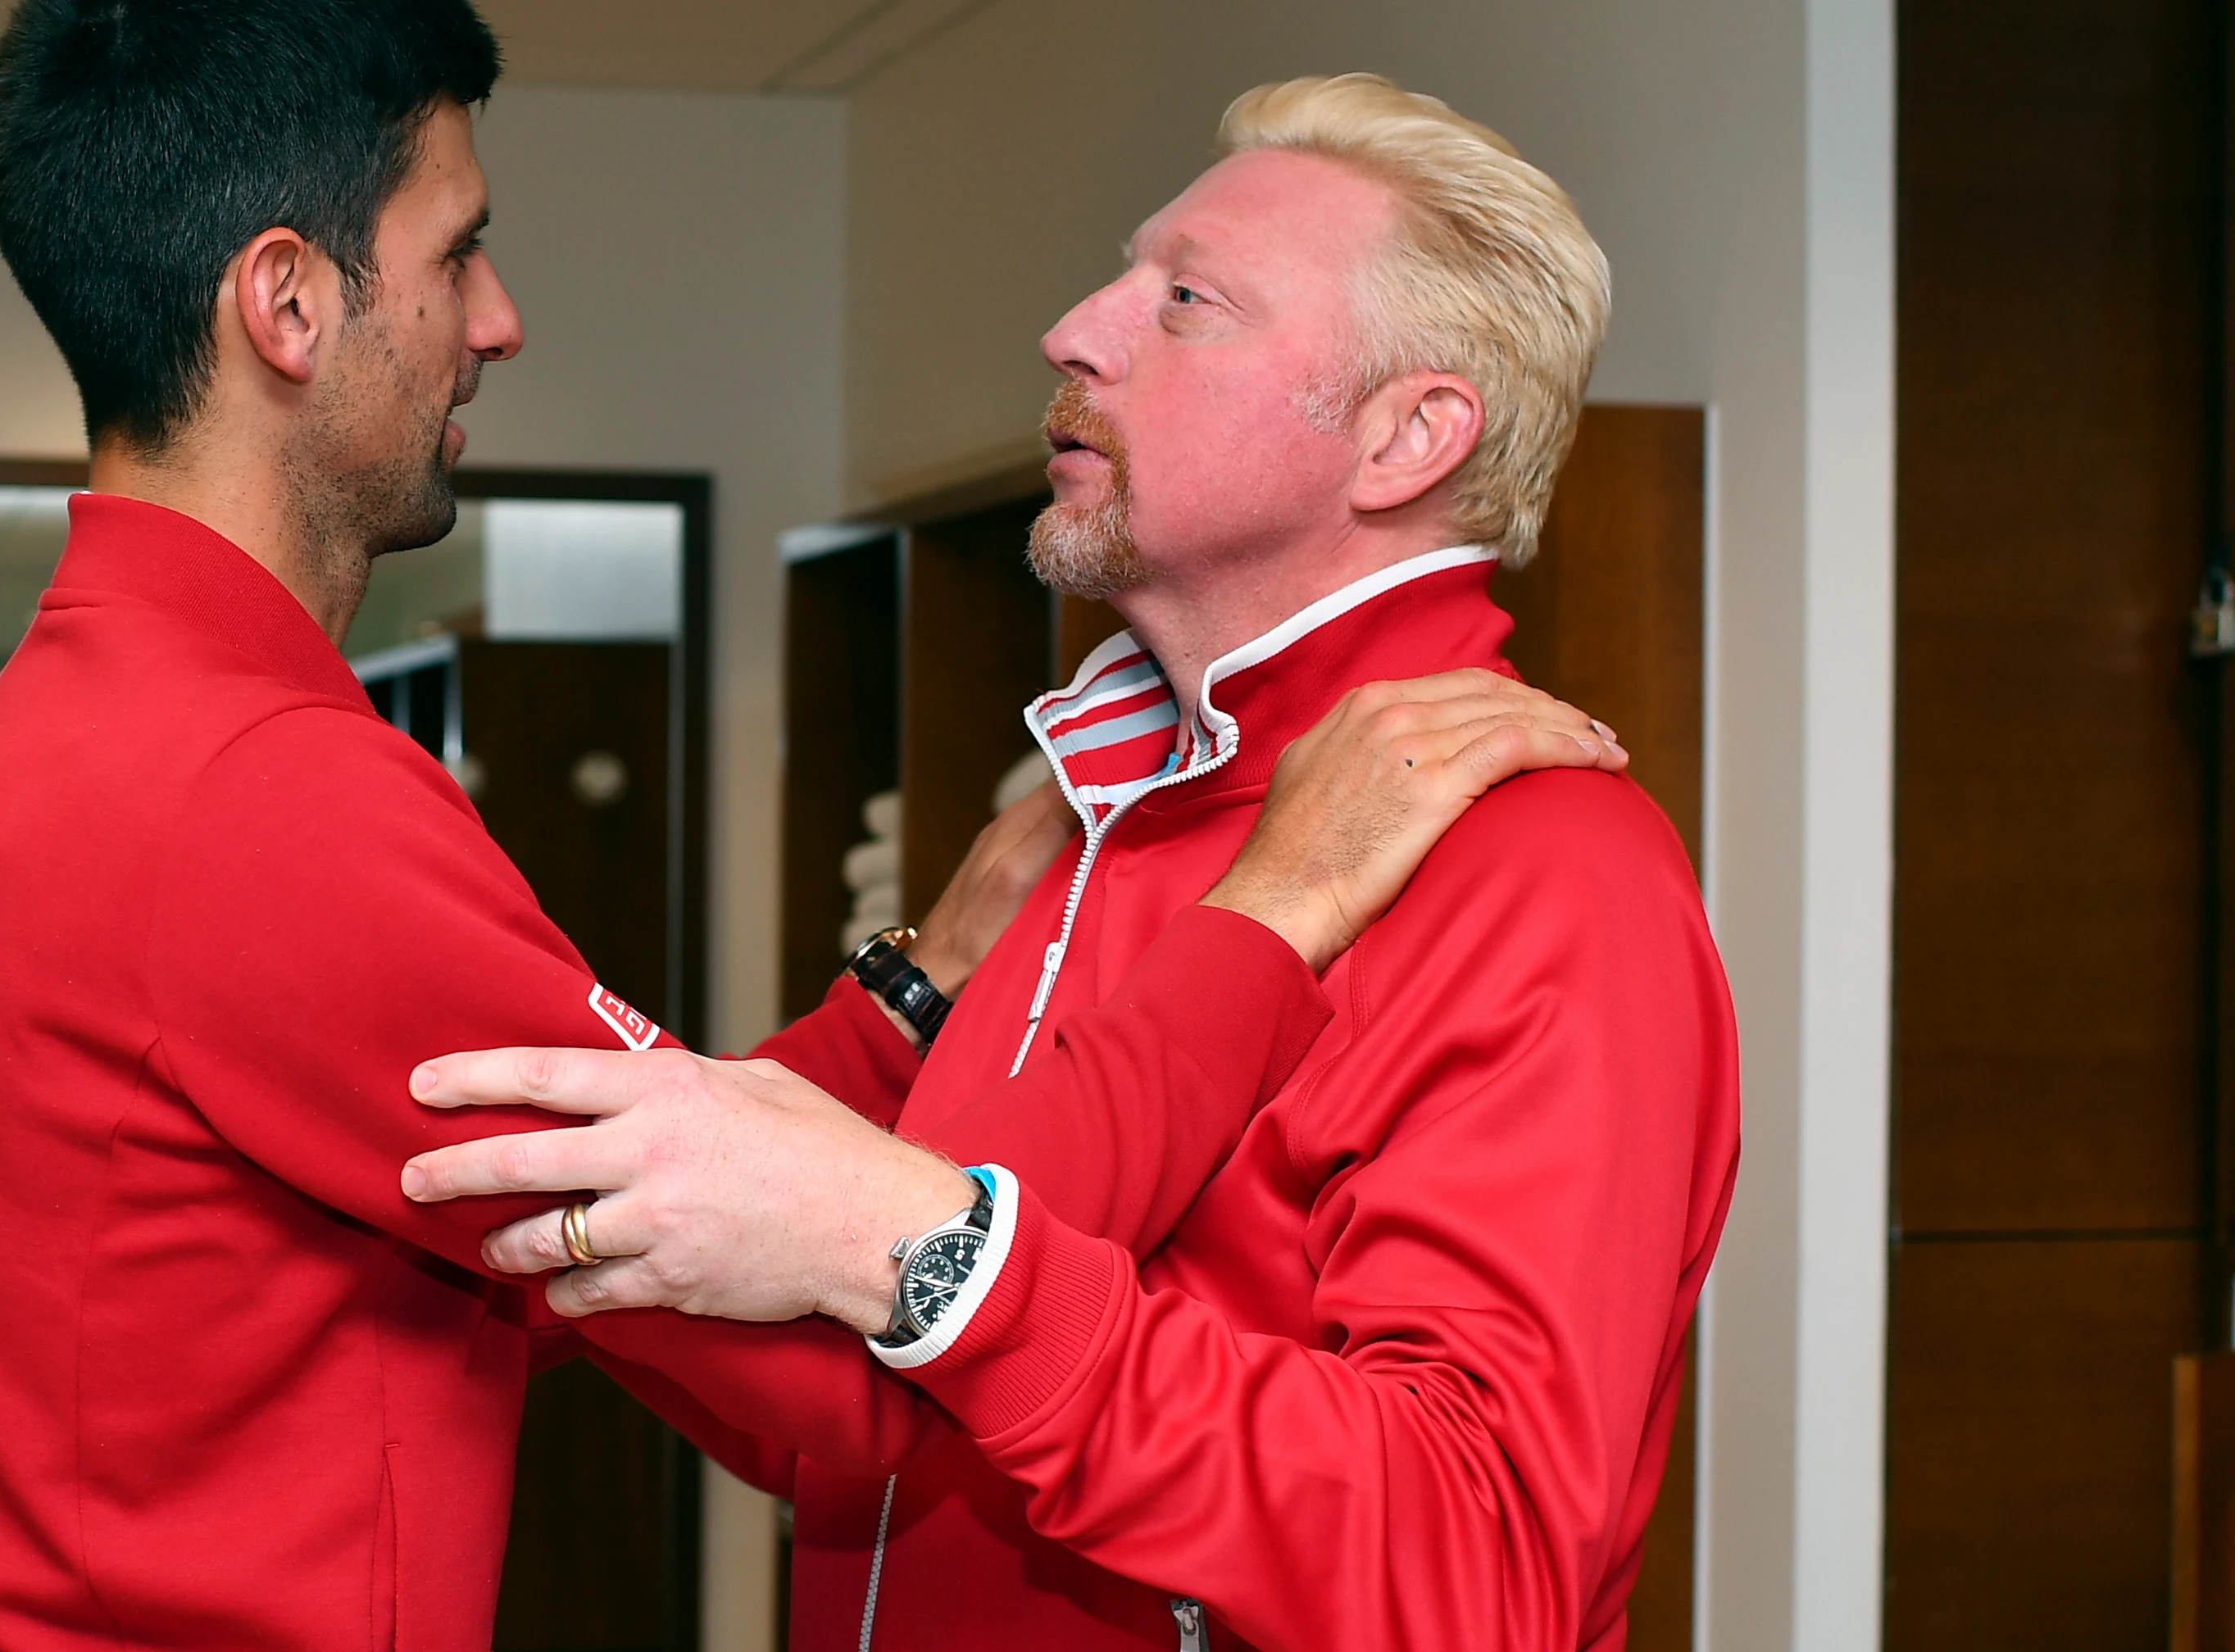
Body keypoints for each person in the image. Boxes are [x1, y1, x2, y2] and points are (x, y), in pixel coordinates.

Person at [0, 8, 1629, 1648]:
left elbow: (643, 1220)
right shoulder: (259, 796)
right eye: (457, 249)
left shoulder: (42, 744)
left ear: (1411, 436)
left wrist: (914, 986)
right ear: (287, 307)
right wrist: (1271, 911)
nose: (498, 317)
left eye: (1184, 299)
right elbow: (835, 1389)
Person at [402, 75, 1740, 1652]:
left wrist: (953, 1273)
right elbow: (842, 1421)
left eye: (1183, 300)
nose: (1070, 328)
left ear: (1404, 437)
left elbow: (1480, 1567)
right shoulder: (1085, 823)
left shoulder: (1534, 864)